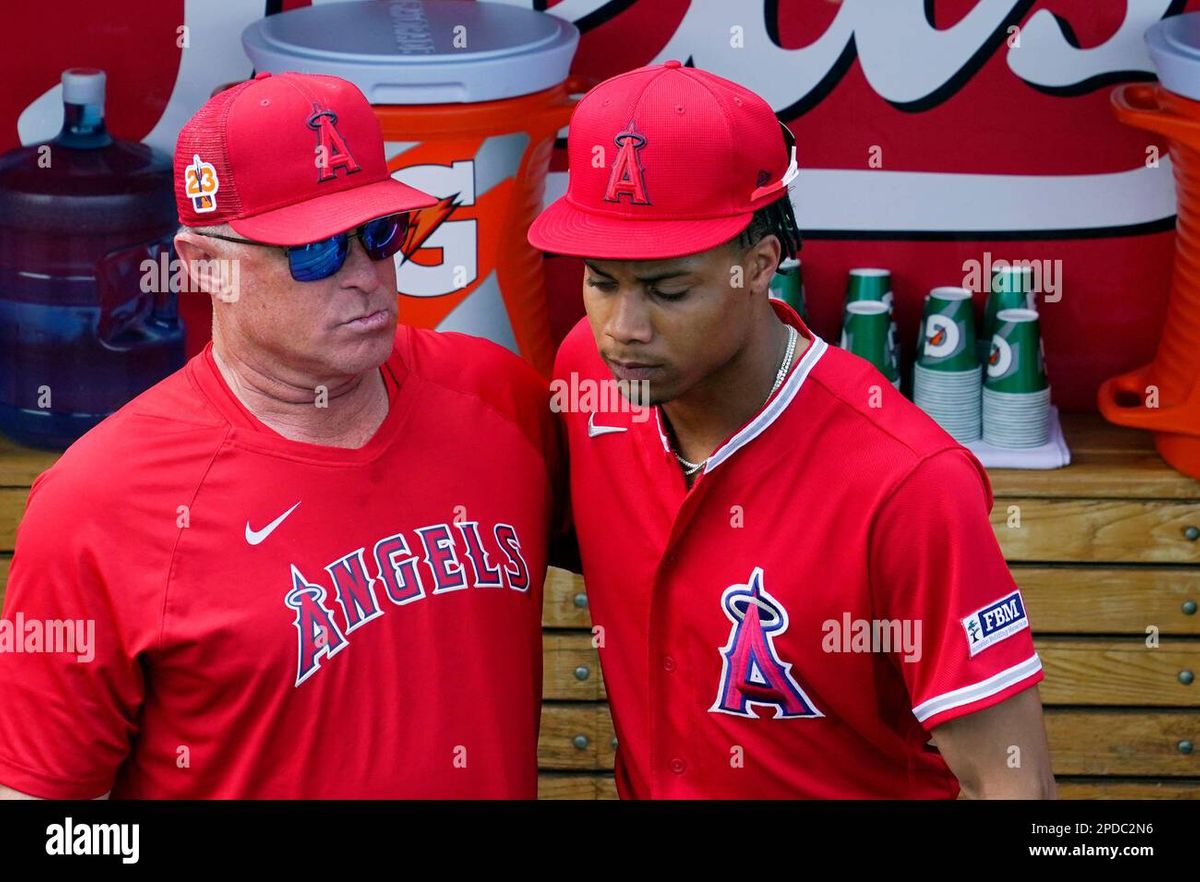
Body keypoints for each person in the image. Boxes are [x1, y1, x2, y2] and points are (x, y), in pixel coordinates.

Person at [0, 72, 563, 799]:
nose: (366, 276)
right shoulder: (100, 500)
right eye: (317, 251)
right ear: (205, 267)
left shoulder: (498, 396)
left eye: (380, 232)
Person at [528, 61, 1055, 799]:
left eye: (668, 289)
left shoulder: (907, 480)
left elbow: (1018, 788)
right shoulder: (590, 379)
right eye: (600, 280)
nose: (624, 328)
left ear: (760, 266)